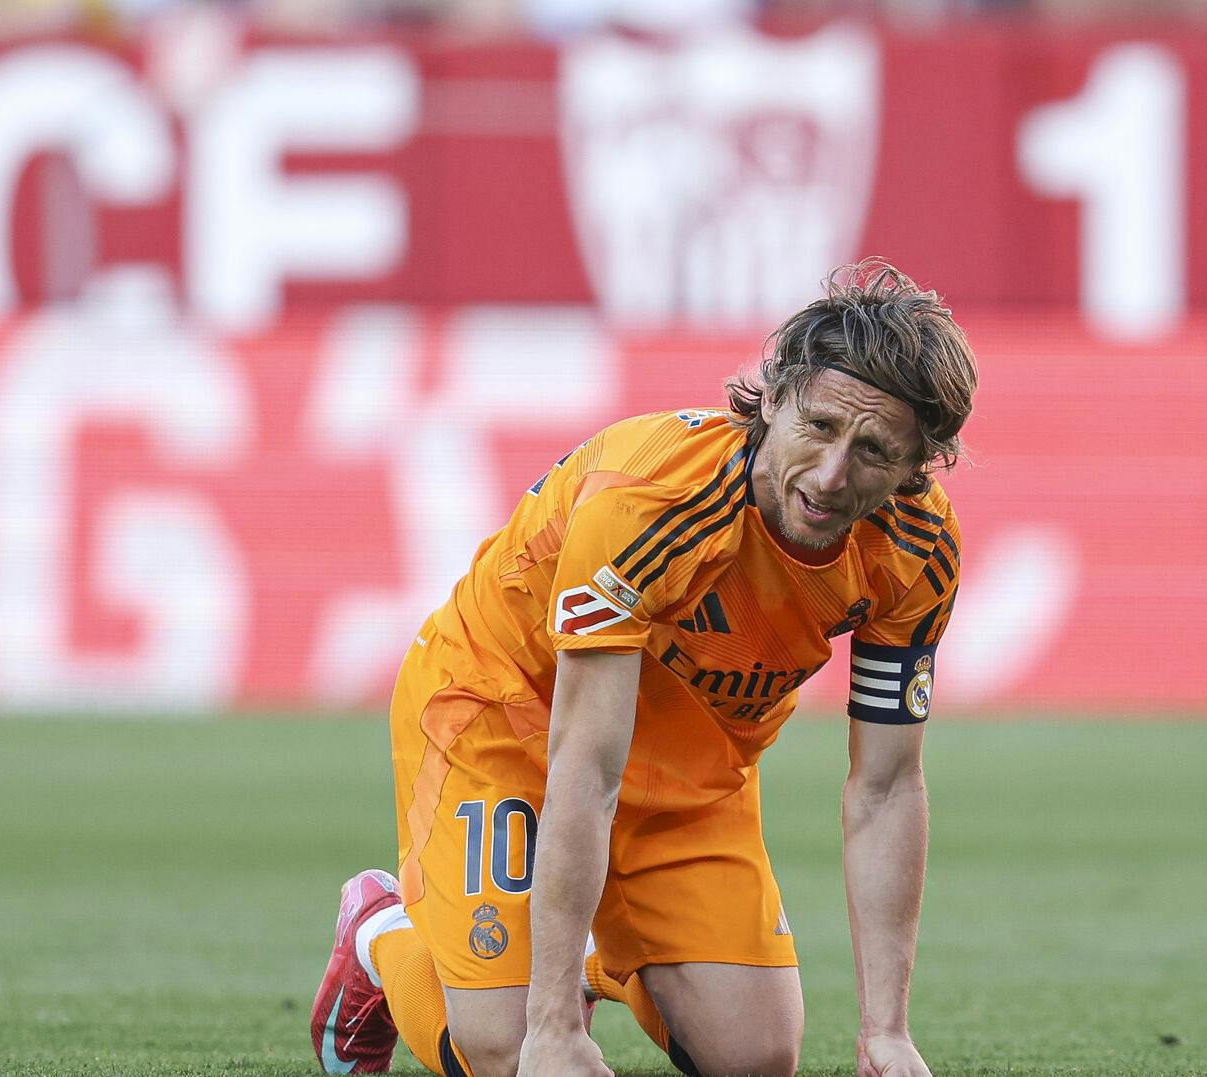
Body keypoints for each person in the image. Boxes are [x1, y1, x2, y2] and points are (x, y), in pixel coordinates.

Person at [311, 259, 978, 1077]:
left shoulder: (918, 551)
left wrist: (888, 1030)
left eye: (874, 450)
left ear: (918, 469)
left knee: (757, 1059)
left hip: (694, 763)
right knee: (512, 1051)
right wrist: (553, 1027)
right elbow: (583, 768)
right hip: (510, 717)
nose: (831, 476)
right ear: (773, 397)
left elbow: (884, 788)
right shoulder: (648, 505)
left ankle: (583, 944)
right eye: (820, 426)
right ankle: (383, 931)